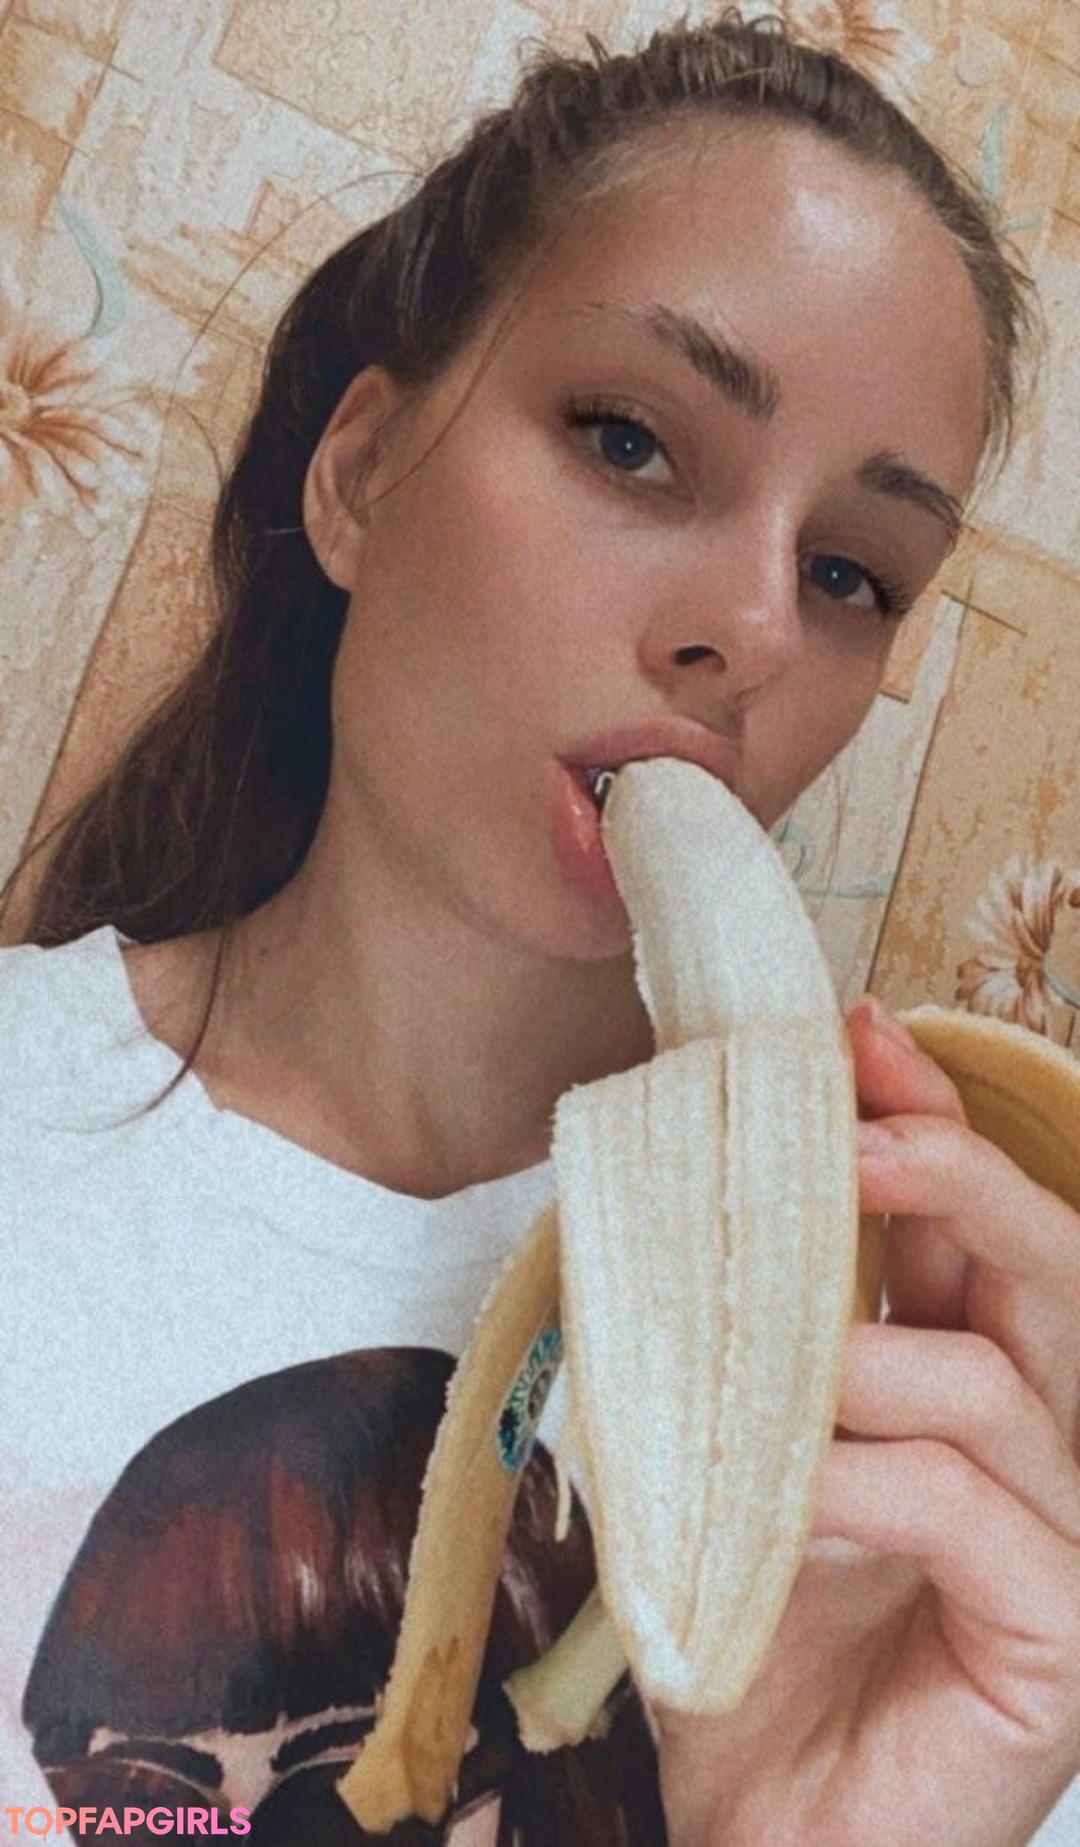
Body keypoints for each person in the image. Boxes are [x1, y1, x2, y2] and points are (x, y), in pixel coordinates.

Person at [3, 9, 1078, 1844]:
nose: (755, 630)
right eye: (630, 440)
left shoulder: (926, 1410)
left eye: (850, 573)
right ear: (360, 474)